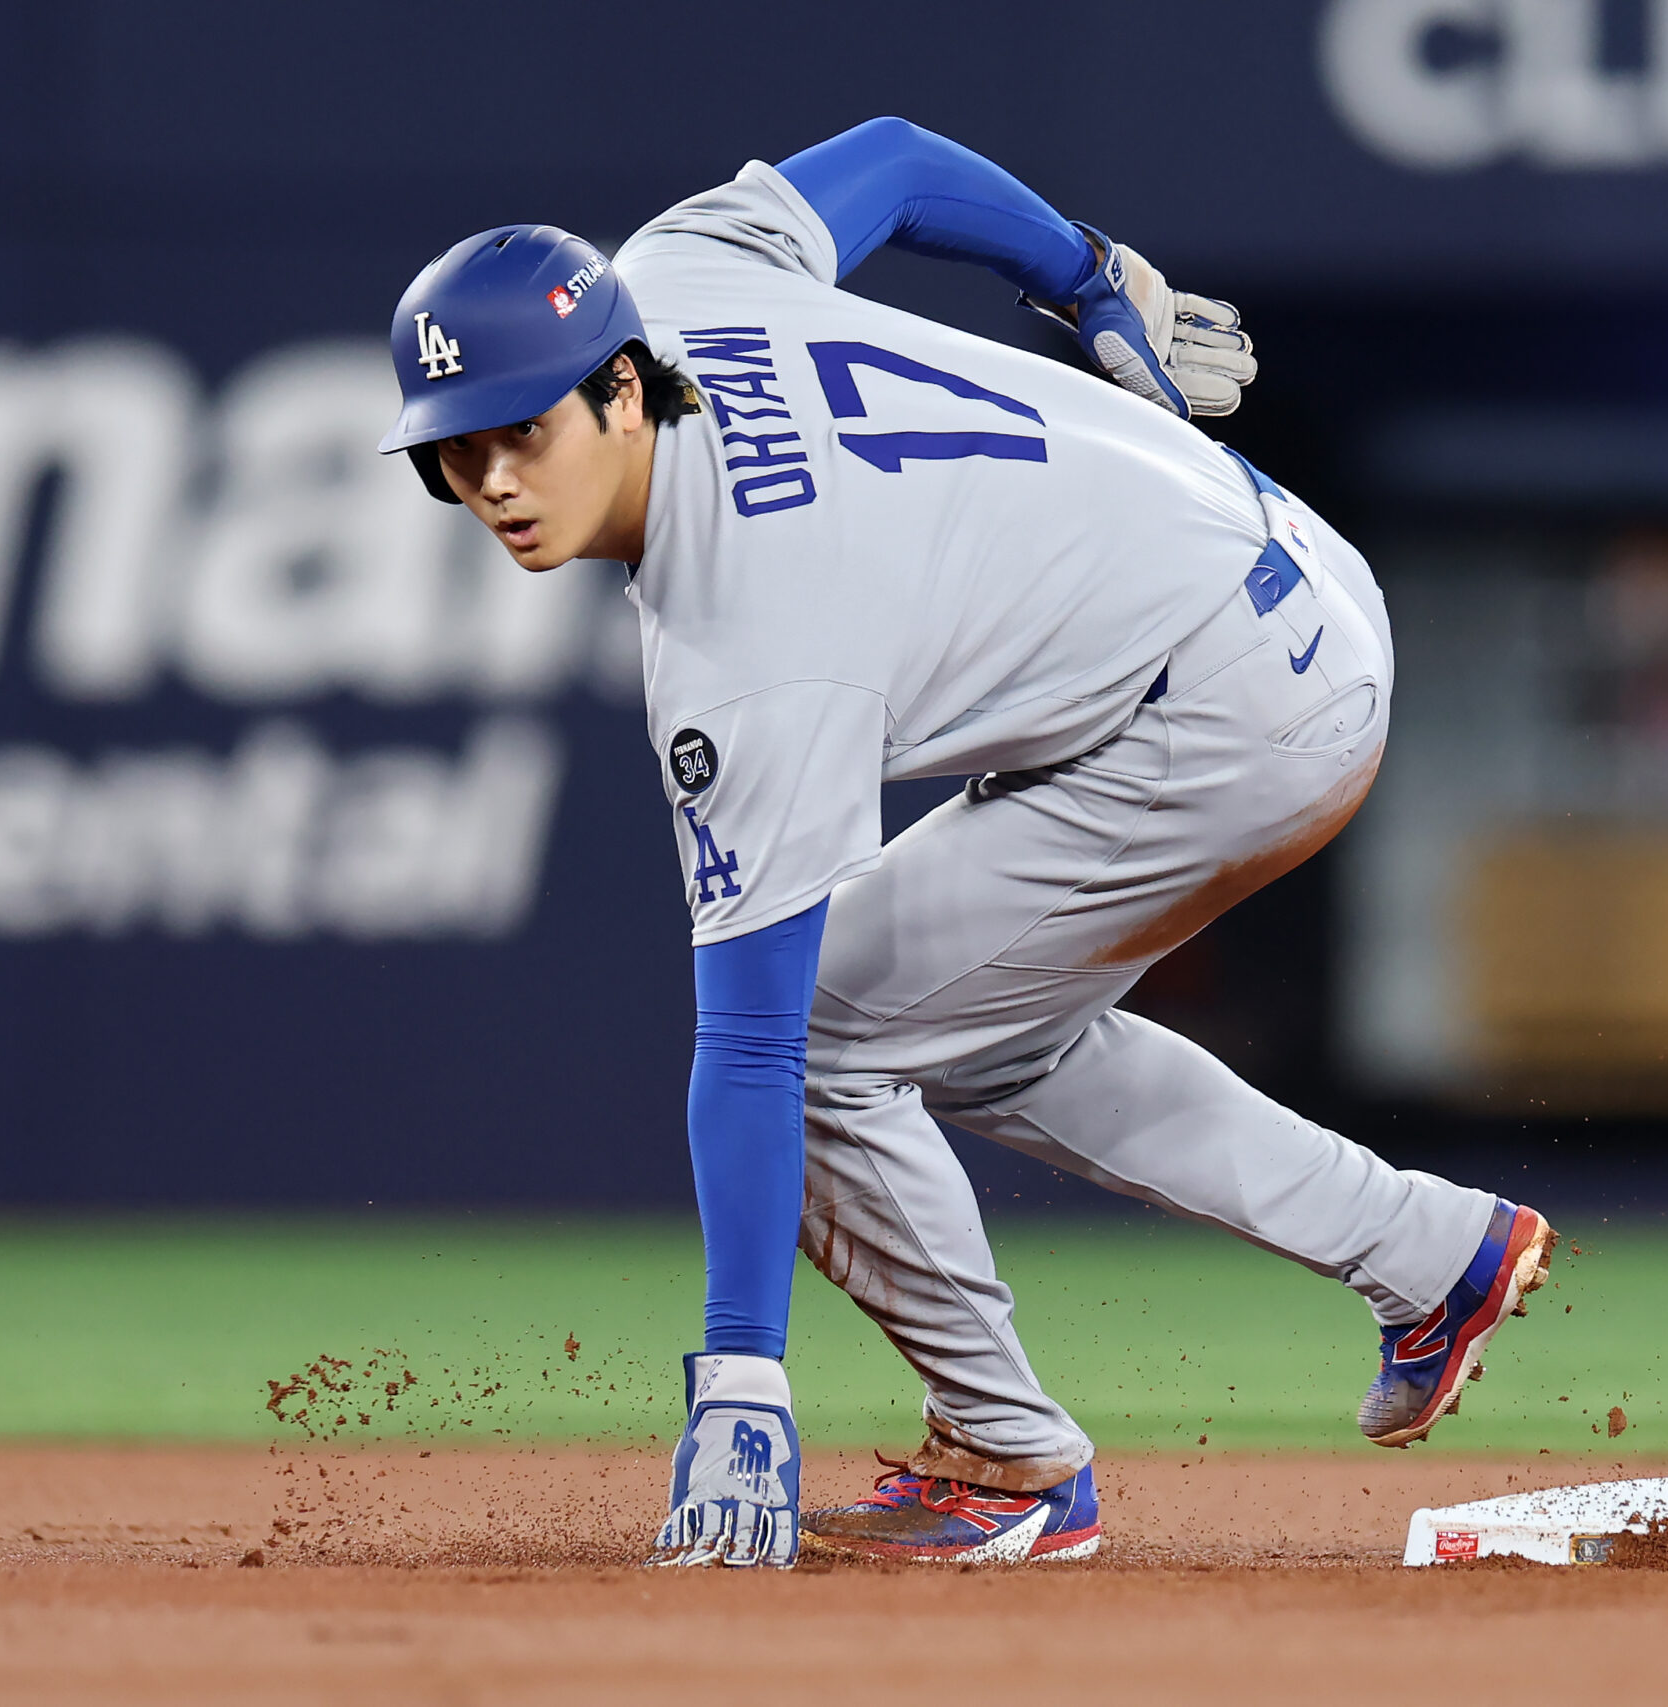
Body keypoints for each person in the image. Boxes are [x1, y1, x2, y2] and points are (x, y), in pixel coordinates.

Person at [377, 117, 1555, 1570]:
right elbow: (890, 159)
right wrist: (1084, 273)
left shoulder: (752, 637)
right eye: (459, 451)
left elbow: (753, 1048)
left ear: (621, 390)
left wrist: (740, 1370)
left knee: (828, 1035)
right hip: (1275, 580)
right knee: (980, 1031)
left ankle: (1009, 1459)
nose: (495, 479)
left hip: (1231, 706)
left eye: (526, 430)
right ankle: (1431, 1252)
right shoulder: (676, 273)